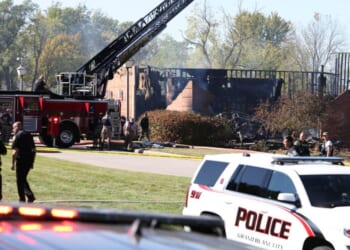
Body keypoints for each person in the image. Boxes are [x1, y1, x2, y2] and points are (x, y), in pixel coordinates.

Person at [11, 121, 36, 203]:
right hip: (29, 159)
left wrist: (13, 164)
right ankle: (30, 196)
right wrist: (32, 162)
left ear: (17, 127)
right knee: (23, 178)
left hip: (21, 159)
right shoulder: (29, 135)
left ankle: (22, 199)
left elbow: (15, 152)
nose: (13, 130)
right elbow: (34, 150)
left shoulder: (17, 136)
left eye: (13, 128)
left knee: (19, 180)